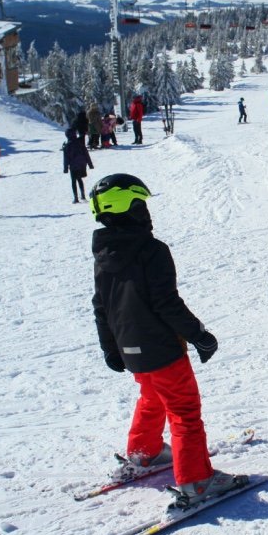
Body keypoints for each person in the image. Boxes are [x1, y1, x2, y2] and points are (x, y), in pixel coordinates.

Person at [89, 174, 241, 505]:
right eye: (140, 204)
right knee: (184, 410)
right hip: (161, 349)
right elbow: (165, 303)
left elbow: (102, 307)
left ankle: (146, 452)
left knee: (152, 395)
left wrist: (111, 348)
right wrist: (199, 335)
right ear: (126, 207)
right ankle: (197, 481)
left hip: (132, 351)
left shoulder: (104, 254)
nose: (146, 211)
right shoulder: (151, 251)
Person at [62, 128, 94, 203]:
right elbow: (86, 154)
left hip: (73, 166)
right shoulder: (80, 143)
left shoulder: (67, 146)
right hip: (82, 164)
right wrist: (90, 164)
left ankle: (76, 198)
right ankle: (83, 196)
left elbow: (66, 159)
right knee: (79, 179)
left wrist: (65, 168)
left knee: (73, 181)